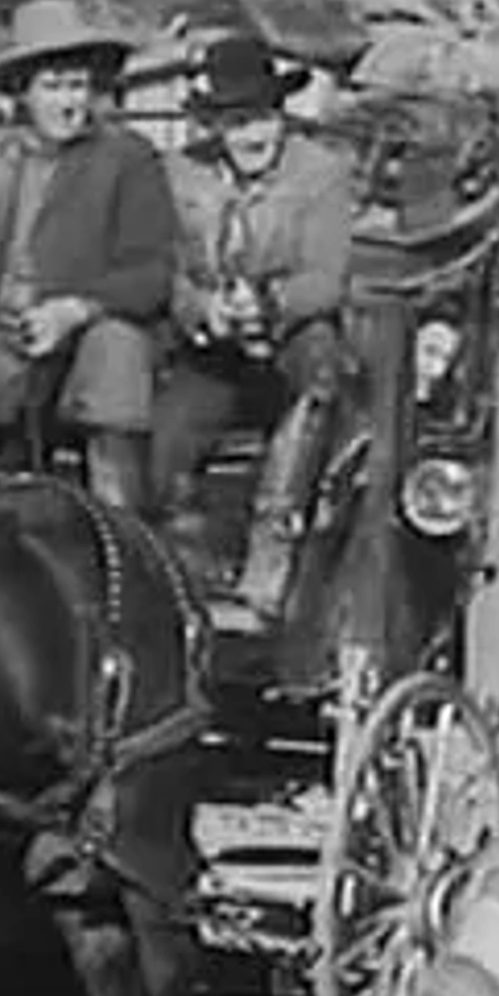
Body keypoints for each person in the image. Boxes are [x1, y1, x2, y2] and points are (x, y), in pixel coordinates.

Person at [0, 0, 178, 511]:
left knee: (115, 352)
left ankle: (121, 526)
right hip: (3, 334)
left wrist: (74, 310)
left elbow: (152, 271)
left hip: (88, 333)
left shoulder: (125, 158)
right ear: (24, 93)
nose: (69, 102)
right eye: (53, 87)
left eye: (77, 85)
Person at [154, 34, 357, 618]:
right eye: (237, 121)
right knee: (167, 435)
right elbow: (164, 269)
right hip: (211, 350)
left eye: (263, 118)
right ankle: (183, 573)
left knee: (320, 370)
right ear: (214, 125)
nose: (253, 136)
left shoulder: (322, 175)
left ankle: (274, 550)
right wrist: (201, 308)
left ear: (282, 115)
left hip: (291, 337)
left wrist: (266, 304)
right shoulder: (180, 175)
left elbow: (326, 277)